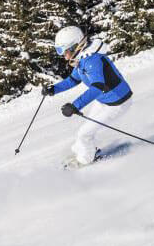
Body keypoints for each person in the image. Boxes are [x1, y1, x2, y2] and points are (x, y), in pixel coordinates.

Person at [42, 26, 133, 166]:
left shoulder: (92, 60)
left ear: (75, 46)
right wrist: (54, 89)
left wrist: (75, 106)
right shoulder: (81, 60)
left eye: (64, 50)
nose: (63, 55)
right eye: (59, 51)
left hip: (117, 102)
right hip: (104, 100)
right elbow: (73, 80)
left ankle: (85, 160)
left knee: (84, 134)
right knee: (85, 130)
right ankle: (83, 151)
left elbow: (98, 87)